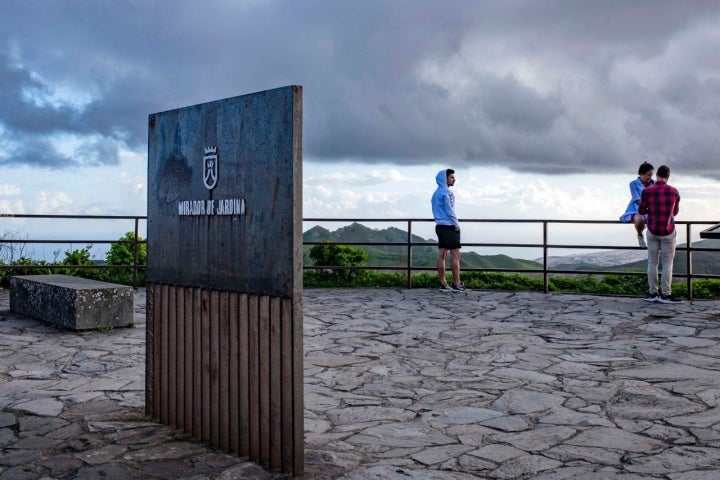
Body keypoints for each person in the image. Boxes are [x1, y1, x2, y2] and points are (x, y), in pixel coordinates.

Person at [639, 164, 681, 303]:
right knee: (667, 264)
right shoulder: (674, 192)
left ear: (656, 175)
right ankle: (666, 295)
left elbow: (642, 210)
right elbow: (675, 212)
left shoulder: (647, 191)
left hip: (652, 230)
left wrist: (651, 210)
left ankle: (653, 294)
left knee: (652, 262)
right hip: (668, 231)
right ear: (668, 177)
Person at [431, 168, 464, 291]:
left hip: (439, 226)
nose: (454, 179)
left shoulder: (436, 193)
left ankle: (443, 282)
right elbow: (449, 209)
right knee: (455, 254)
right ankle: (457, 283)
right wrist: (456, 224)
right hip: (449, 226)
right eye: (451, 177)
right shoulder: (447, 192)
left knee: (442, 254)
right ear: (445, 179)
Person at [620, 161, 654, 248]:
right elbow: (637, 199)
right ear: (641, 174)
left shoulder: (654, 183)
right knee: (639, 219)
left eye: (651, 175)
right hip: (636, 208)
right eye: (648, 175)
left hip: (651, 209)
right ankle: (640, 235)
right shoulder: (633, 184)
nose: (650, 177)